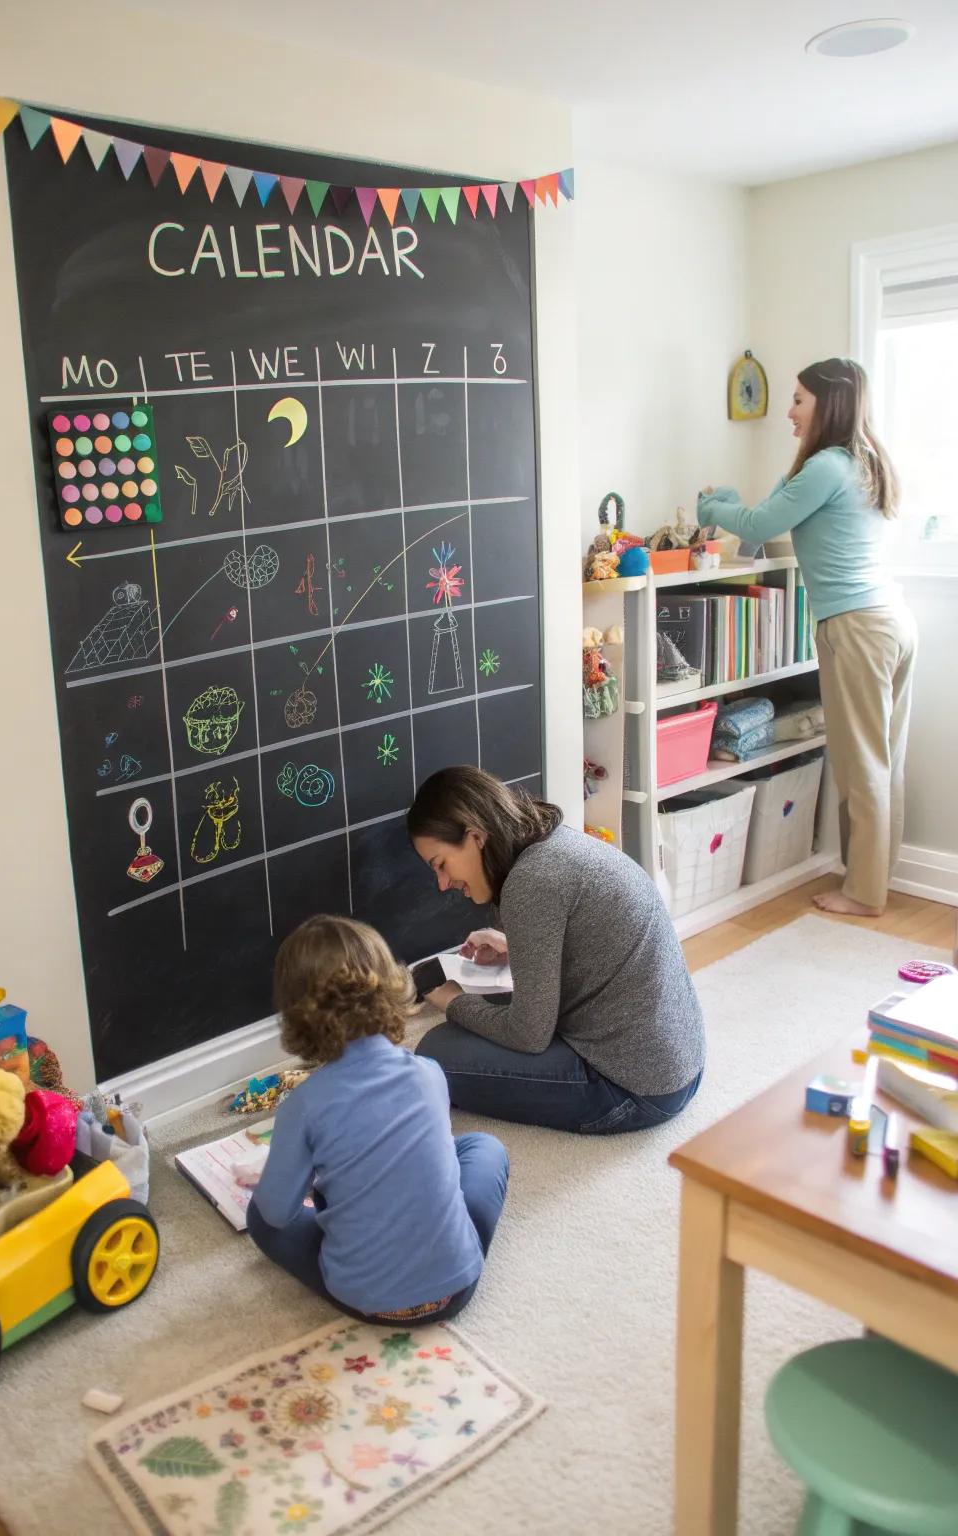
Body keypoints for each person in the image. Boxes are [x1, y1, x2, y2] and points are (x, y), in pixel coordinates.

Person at [698, 356, 917, 917]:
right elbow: (777, 504)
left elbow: (757, 524)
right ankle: (873, 876)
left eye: (798, 400)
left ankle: (863, 892)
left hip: (856, 627)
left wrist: (711, 505)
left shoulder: (826, 466)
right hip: (891, 618)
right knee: (884, 759)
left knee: (860, 763)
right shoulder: (861, 460)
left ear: (829, 403)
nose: (789, 412)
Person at [406, 766, 705, 1134]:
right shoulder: (555, 846)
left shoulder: (531, 883)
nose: (442, 883)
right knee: (490, 1013)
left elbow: (528, 1035)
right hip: (677, 1063)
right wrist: (517, 948)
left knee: (437, 1052)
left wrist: (452, 1001)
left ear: (475, 837)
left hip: (633, 1089)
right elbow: (591, 945)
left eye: (441, 864)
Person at [244, 914, 509, 1324]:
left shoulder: (304, 1105)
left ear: (296, 1014)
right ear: (390, 987)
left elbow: (277, 1213)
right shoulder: (428, 1073)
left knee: (261, 1220)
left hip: (367, 1299)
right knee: (484, 1148)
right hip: (457, 1288)